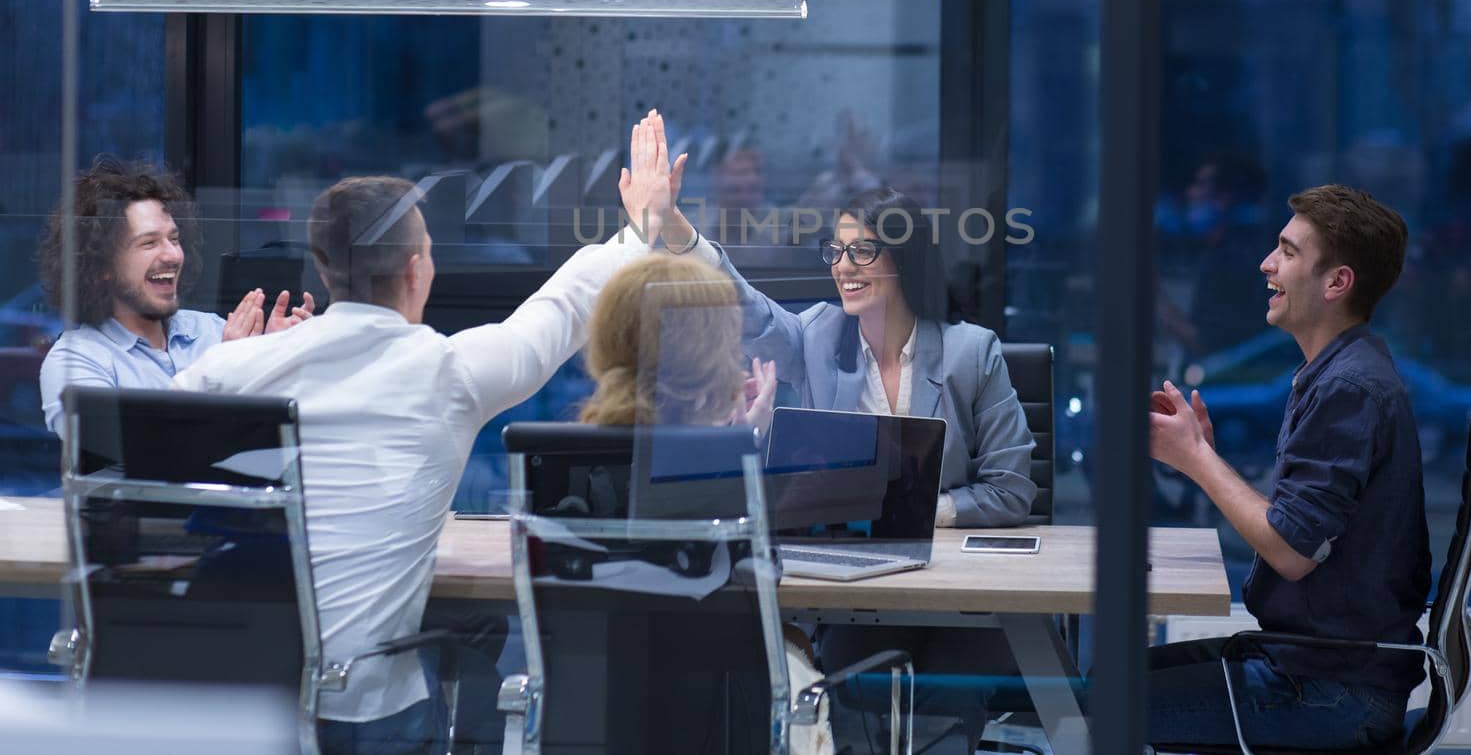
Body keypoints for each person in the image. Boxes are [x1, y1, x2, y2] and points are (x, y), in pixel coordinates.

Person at [172, 113, 681, 755]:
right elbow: (559, 313)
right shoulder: (446, 373)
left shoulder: (231, 365)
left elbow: (141, 465)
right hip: (367, 712)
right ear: (416, 271)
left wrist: (238, 360)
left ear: (326, 273)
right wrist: (642, 228)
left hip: (229, 708)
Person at [648, 113, 1034, 754]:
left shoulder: (971, 353)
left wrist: (912, 511)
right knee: (854, 698)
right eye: (836, 251)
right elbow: (740, 305)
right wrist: (676, 228)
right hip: (861, 589)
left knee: (947, 704)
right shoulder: (819, 336)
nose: (843, 267)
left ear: (903, 259)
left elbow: (1013, 492)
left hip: (959, 593)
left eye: (862, 252)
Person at [1145, 184, 1430, 749]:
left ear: (1336, 282)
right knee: (1107, 682)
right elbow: (1300, 522)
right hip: (1320, 667)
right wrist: (1205, 456)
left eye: (1289, 252)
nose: (1267, 264)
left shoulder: (1348, 387)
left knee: (1095, 707)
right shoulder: (1342, 369)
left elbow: (1292, 551)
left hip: (1333, 693)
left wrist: (1198, 461)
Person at [573, 254, 837, 755]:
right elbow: (764, 579)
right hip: (716, 726)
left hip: (590, 715)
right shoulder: (717, 469)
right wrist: (742, 446)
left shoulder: (571, 458)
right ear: (707, 355)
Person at [37, 155, 313, 436]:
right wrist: (223, 367)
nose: (173, 255)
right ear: (101, 266)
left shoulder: (211, 330)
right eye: (149, 243)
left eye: (175, 238)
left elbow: (271, 433)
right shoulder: (75, 360)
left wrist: (277, 356)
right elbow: (131, 452)